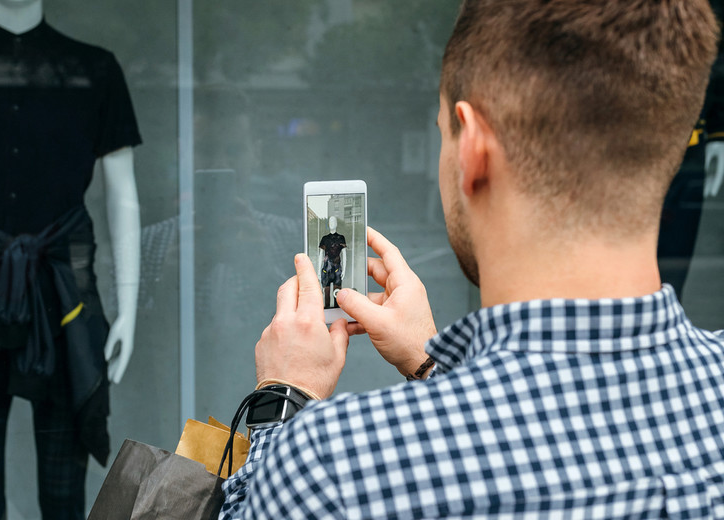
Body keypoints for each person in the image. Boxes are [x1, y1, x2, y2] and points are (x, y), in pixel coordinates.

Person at [221, 0, 724, 518]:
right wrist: (429, 365)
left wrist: (284, 395)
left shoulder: (337, 466)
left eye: (443, 132)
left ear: (472, 149)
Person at [0, 0, 141, 518]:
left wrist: (129, 307)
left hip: (64, 298)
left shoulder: (93, 68)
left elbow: (123, 195)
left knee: (64, 491)